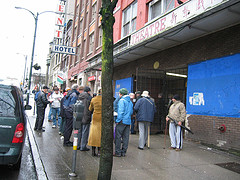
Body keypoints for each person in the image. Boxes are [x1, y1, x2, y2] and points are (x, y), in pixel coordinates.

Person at [114, 88, 133, 157]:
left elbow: (121, 112)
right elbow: (131, 112)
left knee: (118, 137)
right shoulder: (130, 101)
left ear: (121, 94)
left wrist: (118, 120)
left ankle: (117, 152)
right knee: (126, 137)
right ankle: (123, 152)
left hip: (121, 121)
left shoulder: (122, 100)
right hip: (128, 121)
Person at [77, 86, 92, 151]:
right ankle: (83, 146)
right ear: (88, 91)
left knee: (79, 131)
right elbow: (91, 108)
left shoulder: (79, 96)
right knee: (85, 132)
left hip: (79, 115)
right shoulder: (89, 97)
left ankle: (77, 145)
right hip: (86, 116)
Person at [88, 89, 102, 156]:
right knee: (100, 134)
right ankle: (99, 151)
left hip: (95, 117)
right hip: (102, 118)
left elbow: (90, 109)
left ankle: (93, 151)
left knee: (93, 134)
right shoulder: (105, 100)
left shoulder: (94, 99)